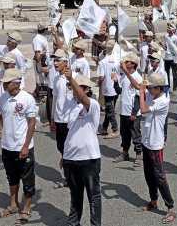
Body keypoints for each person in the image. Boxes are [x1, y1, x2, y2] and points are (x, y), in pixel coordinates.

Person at [0, 68, 37, 224]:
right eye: (3, 83)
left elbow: (32, 123)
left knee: (27, 179)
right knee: (11, 177)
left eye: (7, 83)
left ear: (16, 82)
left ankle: (27, 207)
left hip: (22, 147)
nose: (4, 85)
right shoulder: (3, 97)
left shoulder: (27, 99)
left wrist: (25, 146)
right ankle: (13, 204)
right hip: (7, 146)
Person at [61, 74, 103, 226]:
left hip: (89, 159)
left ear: (86, 89)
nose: (73, 91)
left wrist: (71, 79)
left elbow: (84, 99)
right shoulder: (72, 105)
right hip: (71, 159)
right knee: (75, 196)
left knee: (94, 197)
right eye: (72, 88)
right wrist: (64, 155)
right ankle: (73, 223)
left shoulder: (92, 104)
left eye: (77, 88)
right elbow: (71, 132)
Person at [138, 73, 176, 224]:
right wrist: (127, 72)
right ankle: (153, 200)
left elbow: (143, 109)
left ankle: (170, 207)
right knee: (148, 174)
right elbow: (138, 85)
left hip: (155, 144)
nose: (148, 89)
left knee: (159, 176)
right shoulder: (151, 94)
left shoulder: (163, 101)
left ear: (158, 88)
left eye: (150, 88)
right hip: (146, 141)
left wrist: (141, 92)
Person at [50, 49, 73, 188]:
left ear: (66, 62)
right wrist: (52, 117)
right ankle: (68, 174)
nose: (55, 63)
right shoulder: (56, 78)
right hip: (59, 119)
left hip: (69, 120)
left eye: (58, 60)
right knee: (61, 146)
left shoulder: (72, 78)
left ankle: (70, 178)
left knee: (68, 149)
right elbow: (55, 99)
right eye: (54, 60)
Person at [116, 53, 144, 166]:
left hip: (133, 112)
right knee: (124, 133)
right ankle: (125, 152)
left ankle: (139, 154)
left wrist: (134, 112)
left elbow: (139, 95)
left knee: (135, 133)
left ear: (133, 64)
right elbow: (119, 91)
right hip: (124, 110)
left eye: (128, 62)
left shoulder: (137, 77)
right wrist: (114, 83)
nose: (125, 63)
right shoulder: (123, 76)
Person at [97, 39, 120, 138]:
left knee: (110, 110)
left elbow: (101, 77)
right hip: (116, 87)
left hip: (107, 88)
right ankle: (104, 128)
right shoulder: (117, 60)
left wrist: (98, 83)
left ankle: (115, 129)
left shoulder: (103, 61)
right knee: (109, 108)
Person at [163, 24, 177, 92]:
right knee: (166, 73)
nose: (168, 30)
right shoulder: (165, 36)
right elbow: (165, 47)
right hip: (167, 58)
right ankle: (167, 87)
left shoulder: (176, 38)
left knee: (174, 74)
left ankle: (175, 88)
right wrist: (162, 46)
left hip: (173, 59)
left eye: (170, 29)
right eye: (168, 29)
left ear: (173, 30)